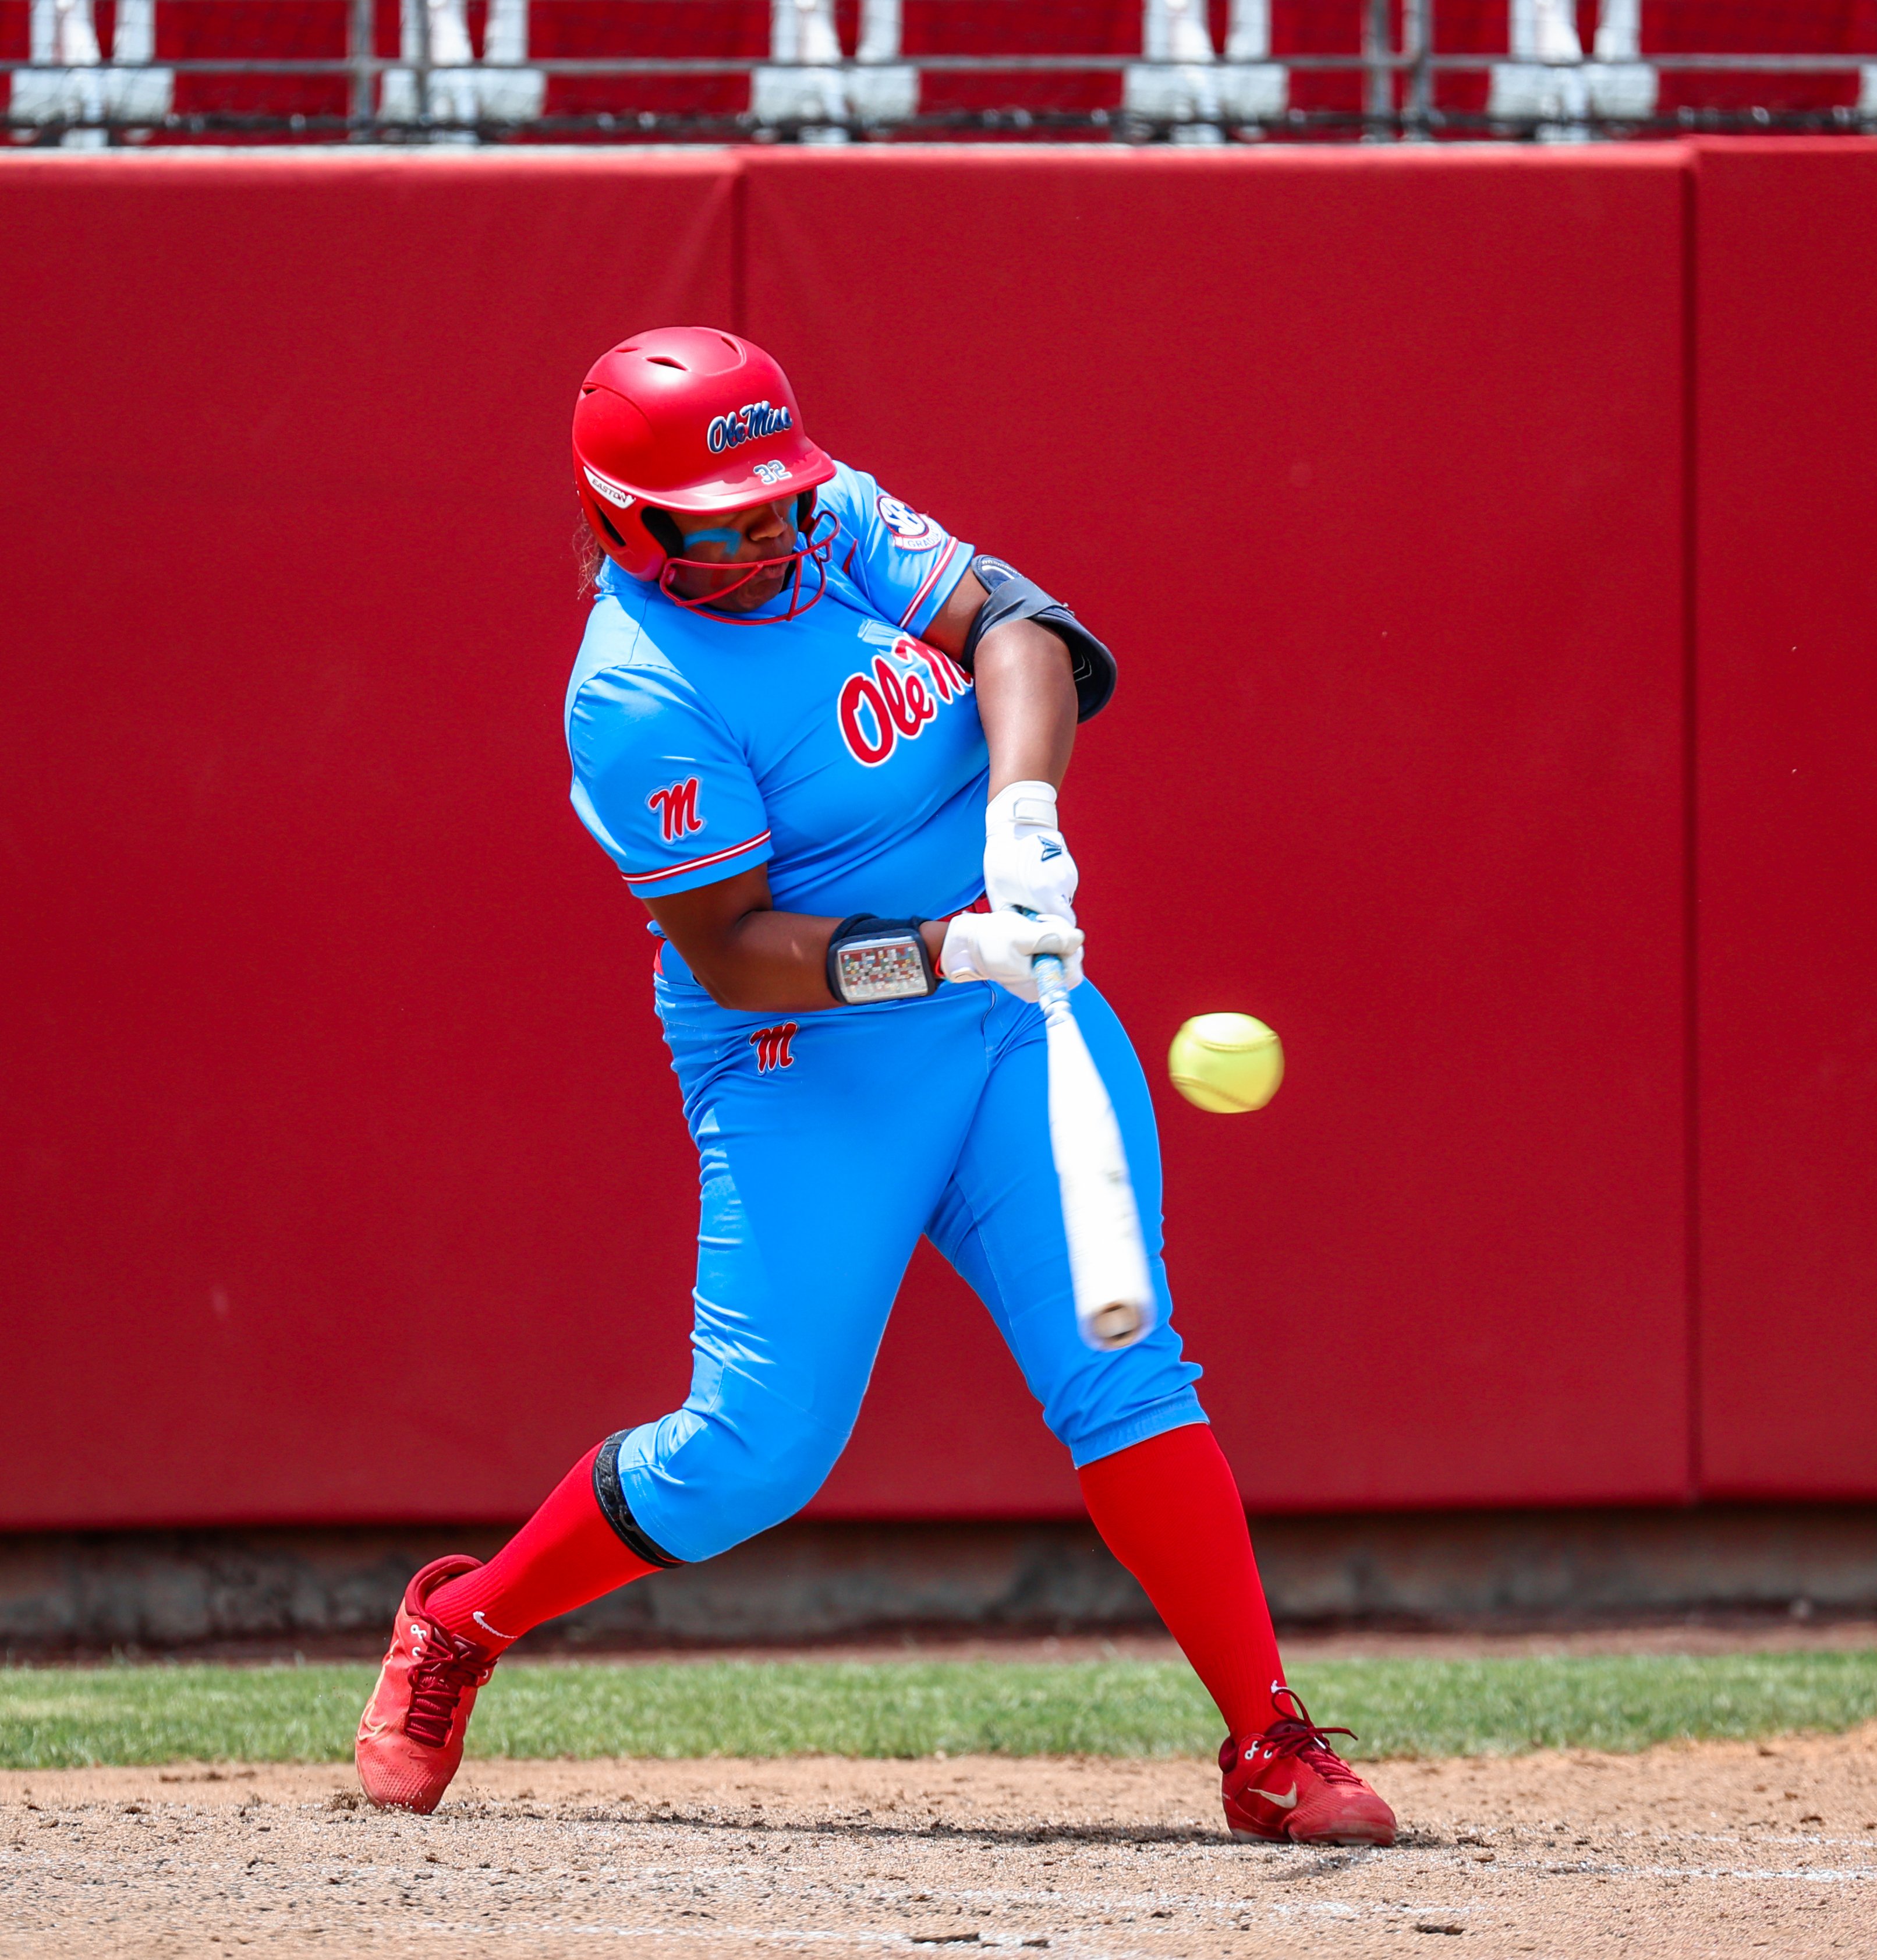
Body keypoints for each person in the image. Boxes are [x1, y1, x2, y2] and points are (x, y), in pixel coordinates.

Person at [352, 326, 1395, 1848]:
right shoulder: (633, 691)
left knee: (1129, 1375)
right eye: (733, 521)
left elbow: (1020, 631)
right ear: (629, 525)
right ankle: (464, 1624)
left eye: (784, 498)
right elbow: (735, 950)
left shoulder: (823, 521)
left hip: (1014, 1012)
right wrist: (944, 942)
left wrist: (1023, 821)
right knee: (753, 1458)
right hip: (809, 1061)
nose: (777, 531)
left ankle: (1269, 1741)